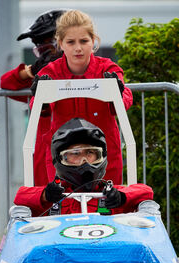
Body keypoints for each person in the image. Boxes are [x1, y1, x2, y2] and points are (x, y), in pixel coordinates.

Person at [14, 118, 154, 263]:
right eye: (75, 154)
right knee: (48, 250)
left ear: (101, 156)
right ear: (60, 159)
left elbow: (146, 191)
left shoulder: (106, 191)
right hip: (65, 257)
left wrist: (121, 197)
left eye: (90, 153)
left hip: (103, 255)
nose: (84, 161)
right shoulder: (56, 193)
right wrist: (45, 196)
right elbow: (20, 196)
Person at [31, 9, 133, 185]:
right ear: (60, 44)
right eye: (71, 42)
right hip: (64, 158)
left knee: (105, 207)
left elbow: (124, 102)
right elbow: (37, 110)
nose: (78, 48)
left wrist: (116, 92)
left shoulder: (109, 69)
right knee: (63, 208)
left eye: (84, 41)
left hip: (104, 155)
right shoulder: (50, 72)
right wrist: (42, 100)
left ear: (93, 41)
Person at [0, 9, 65, 186]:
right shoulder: (40, 79)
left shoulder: (88, 74)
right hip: (44, 155)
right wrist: (31, 70)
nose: (47, 54)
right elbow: (7, 82)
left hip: (76, 153)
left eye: (48, 47)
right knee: (44, 206)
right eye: (41, 49)